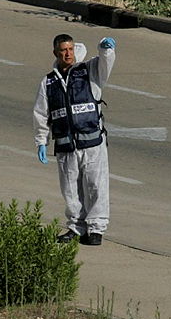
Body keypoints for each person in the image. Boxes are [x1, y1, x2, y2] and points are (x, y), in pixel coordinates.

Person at [33, 34, 116, 246]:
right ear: (55, 53)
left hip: (92, 143)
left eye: (70, 49)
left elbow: (105, 65)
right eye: (63, 50)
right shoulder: (48, 82)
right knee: (70, 190)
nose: (67, 53)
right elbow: (41, 113)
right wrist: (41, 141)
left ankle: (96, 229)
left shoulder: (89, 71)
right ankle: (76, 228)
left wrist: (106, 50)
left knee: (96, 186)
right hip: (65, 145)